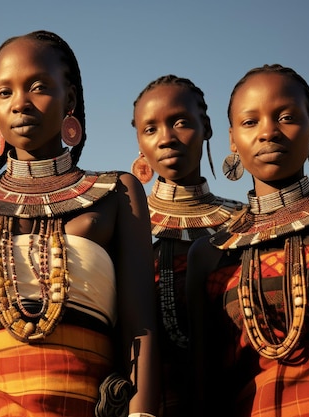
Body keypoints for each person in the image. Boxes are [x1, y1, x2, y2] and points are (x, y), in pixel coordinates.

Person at [0, 30, 158, 417]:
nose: (20, 104)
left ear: (69, 98)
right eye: (5, 92)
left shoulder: (117, 192)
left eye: (37, 87)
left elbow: (141, 331)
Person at [187, 64, 309, 416]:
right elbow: (204, 384)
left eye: (286, 117)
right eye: (250, 122)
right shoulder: (212, 252)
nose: (268, 132)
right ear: (232, 139)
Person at [130, 75, 243, 416]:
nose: (166, 139)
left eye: (180, 122)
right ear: (139, 142)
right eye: (150, 129)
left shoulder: (244, 223)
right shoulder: (125, 224)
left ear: (206, 127)